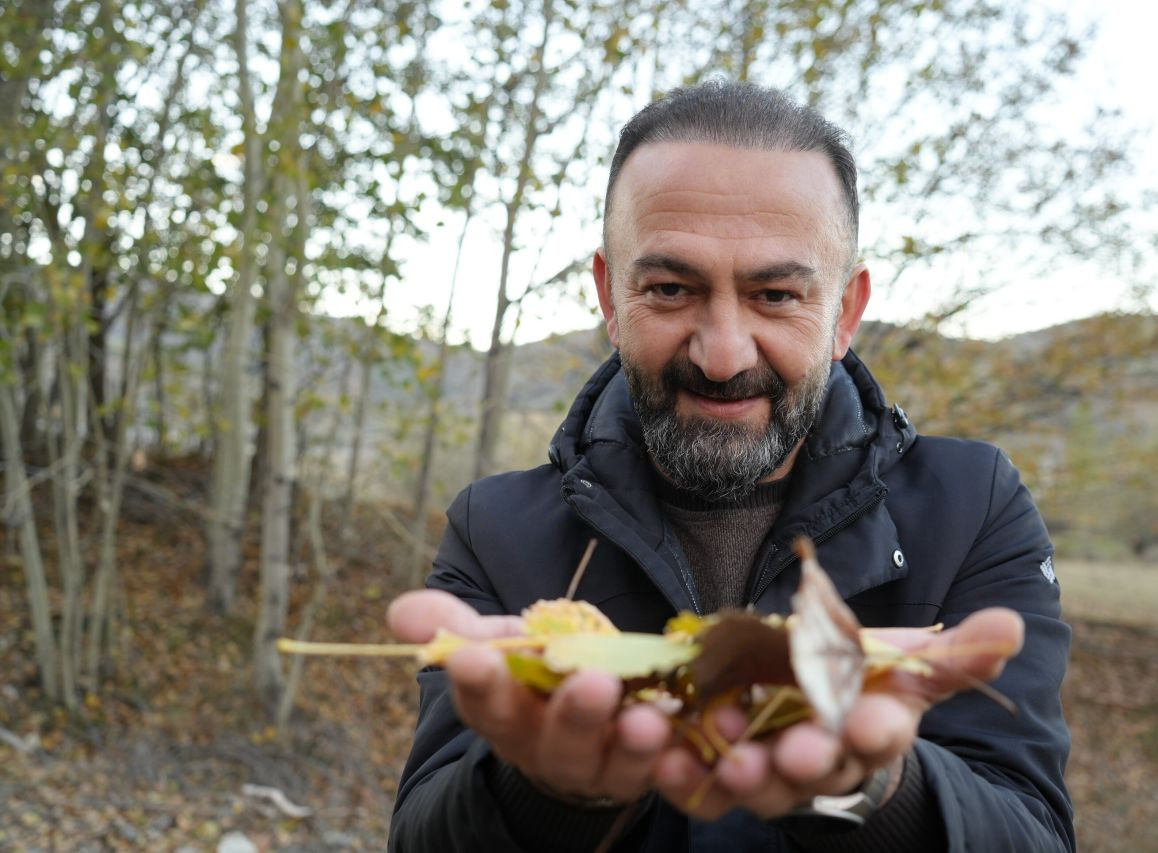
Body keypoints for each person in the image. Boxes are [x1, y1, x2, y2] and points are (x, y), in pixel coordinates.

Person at [386, 81, 1073, 852]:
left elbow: (1033, 830)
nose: (722, 354)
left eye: (776, 295)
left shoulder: (972, 506)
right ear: (611, 296)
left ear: (845, 311)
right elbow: (421, 837)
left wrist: (875, 791)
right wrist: (550, 796)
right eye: (672, 288)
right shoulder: (495, 531)